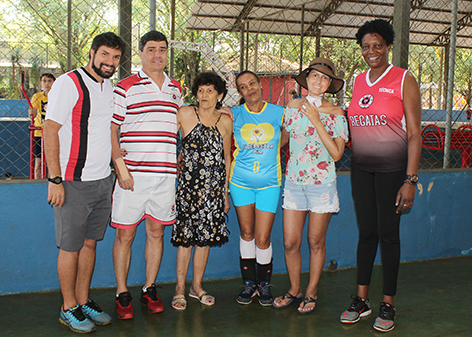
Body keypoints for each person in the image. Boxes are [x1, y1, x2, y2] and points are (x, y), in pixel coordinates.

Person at [339, 19, 421, 332]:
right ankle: (361, 299)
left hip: (393, 171)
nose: (372, 51)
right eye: (366, 46)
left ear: (388, 46)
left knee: (388, 235)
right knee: (366, 233)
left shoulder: (404, 79)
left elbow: (414, 133)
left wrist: (410, 179)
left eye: (378, 45)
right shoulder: (358, 80)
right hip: (361, 169)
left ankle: (388, 303)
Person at [43, 32, 126, 333]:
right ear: (92, 53)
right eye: (105, 54)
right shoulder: (69, 82)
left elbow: (107, 129)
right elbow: (50, 130)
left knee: (90, 244)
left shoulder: (109, 88)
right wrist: (55, 179)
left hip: (102, 181)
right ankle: (67, 308)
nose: (110, 62)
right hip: (72, 182)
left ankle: (82, 299)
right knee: (70, 248)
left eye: (116, 57)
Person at [110, 30, 183, 319]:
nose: (157, 54)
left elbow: (176, 124)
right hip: (132, 178)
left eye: (162, 49)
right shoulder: (125, 87)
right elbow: (112, 129)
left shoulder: (175, 88)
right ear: (140, 53)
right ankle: (121, 292)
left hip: (165, 177)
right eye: (151, 49)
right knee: (125, 236)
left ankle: (149, 288)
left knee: (156, 232)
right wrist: (121, 167)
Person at [272, 57, 348, 314]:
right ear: (307, 80)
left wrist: (316, 119)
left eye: (324, 78)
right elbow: (285, 136)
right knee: (290, 242)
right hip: (294, 181)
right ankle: (295, 289)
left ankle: (312, 291)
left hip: (322, 184)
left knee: (316, 241)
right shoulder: (293, 106)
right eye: (314, 76)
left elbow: (337, 154)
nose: (319, 81)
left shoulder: (336, 113)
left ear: (329, 84)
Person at [170, 72, 233, 310]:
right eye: (201, 90)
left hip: (213, 190)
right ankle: (179, 288)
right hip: (188, 189)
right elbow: (166, 139)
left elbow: (226, 158)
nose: (204, 95)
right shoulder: (185, 113)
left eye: (210, 90)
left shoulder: (225, 121)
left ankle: (196, 286)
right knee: (186, 239)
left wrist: (224, 192)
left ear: (220, 95)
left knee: (204, 240)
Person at [228, 70, 288, 306]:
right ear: (239, 92)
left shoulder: (278, 112)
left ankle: (264, 284)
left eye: (252, 83)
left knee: (263, 238)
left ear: (260, 85)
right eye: (243, 86)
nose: (249, 89)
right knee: (247, 233)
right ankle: (248, 283)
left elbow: (288, 134)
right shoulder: (234, 114)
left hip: (269, 183)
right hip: (240, 183)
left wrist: (274, 147)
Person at [29, 72, 55, 179]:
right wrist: (32, 112)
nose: (47, 84)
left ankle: (53, 181)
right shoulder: (37, 96)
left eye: (49, 81)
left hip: (53, 132)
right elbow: (33, 112)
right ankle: (37, 183)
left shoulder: (57, 96)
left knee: (52, 161)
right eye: (44, 81)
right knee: (38, 161)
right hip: (39, 132)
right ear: (41, 83)